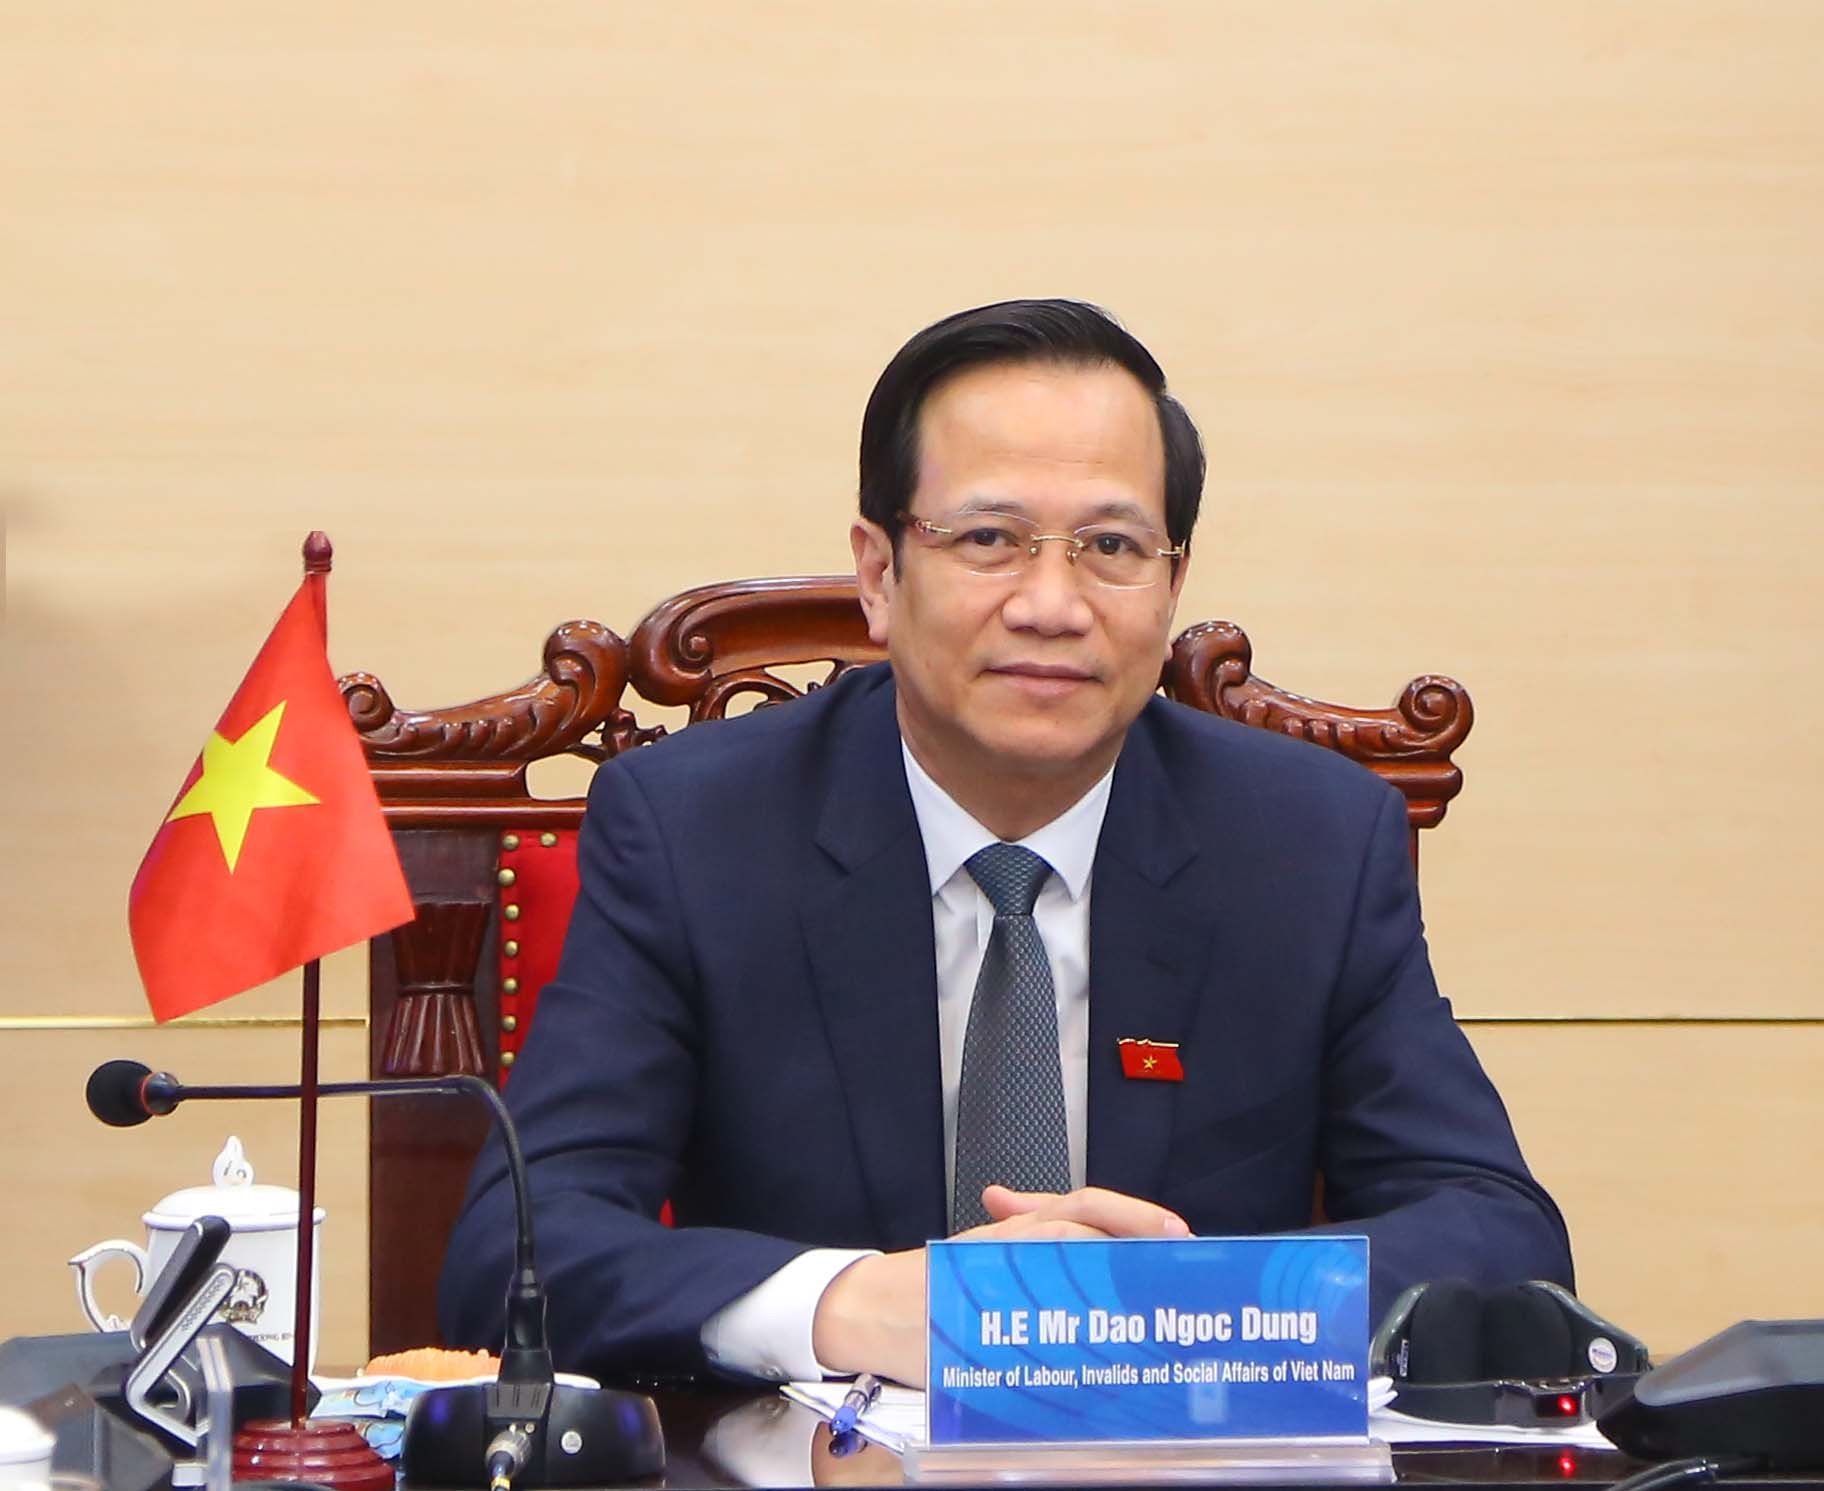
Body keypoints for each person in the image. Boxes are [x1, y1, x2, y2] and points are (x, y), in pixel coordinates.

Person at [440, 299, 1571, 1385]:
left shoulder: (1307, 843)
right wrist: (851, 1304)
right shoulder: (698, 831)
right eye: (989, 538)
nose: (1052, 604)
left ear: (1172, 583)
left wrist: (1198, 1303)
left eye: (1112, 546)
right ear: (879, 574)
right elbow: (515, 1253)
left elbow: (1499, 1236)